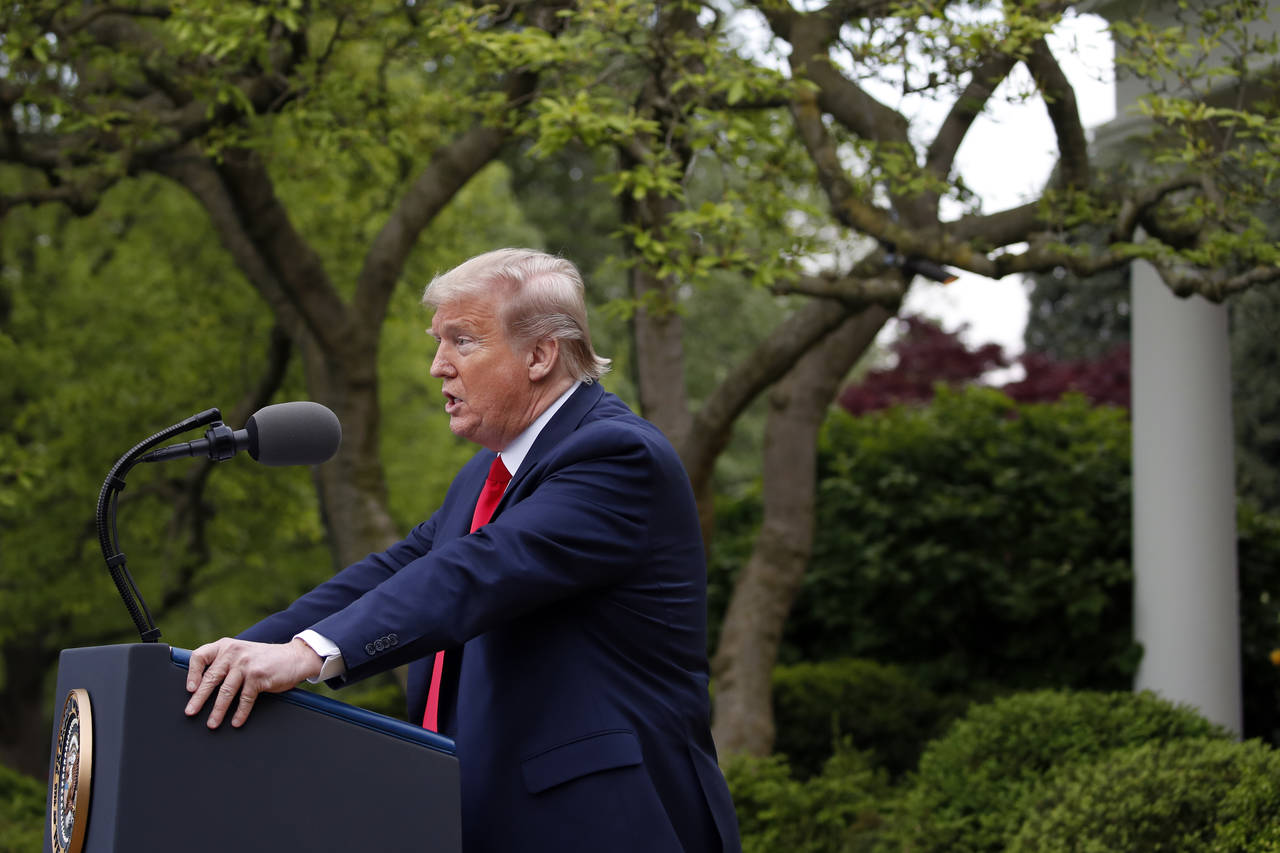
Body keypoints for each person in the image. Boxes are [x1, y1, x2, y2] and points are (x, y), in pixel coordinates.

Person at [183, 248, 742, 852]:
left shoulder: (615, 456)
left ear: (540, 355)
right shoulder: (482, 477)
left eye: (462, 342)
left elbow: (476, 571)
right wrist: (234, 656)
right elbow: (396, 570)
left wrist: (307, 654)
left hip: (607, 825)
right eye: (437, 341)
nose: (437, 367)